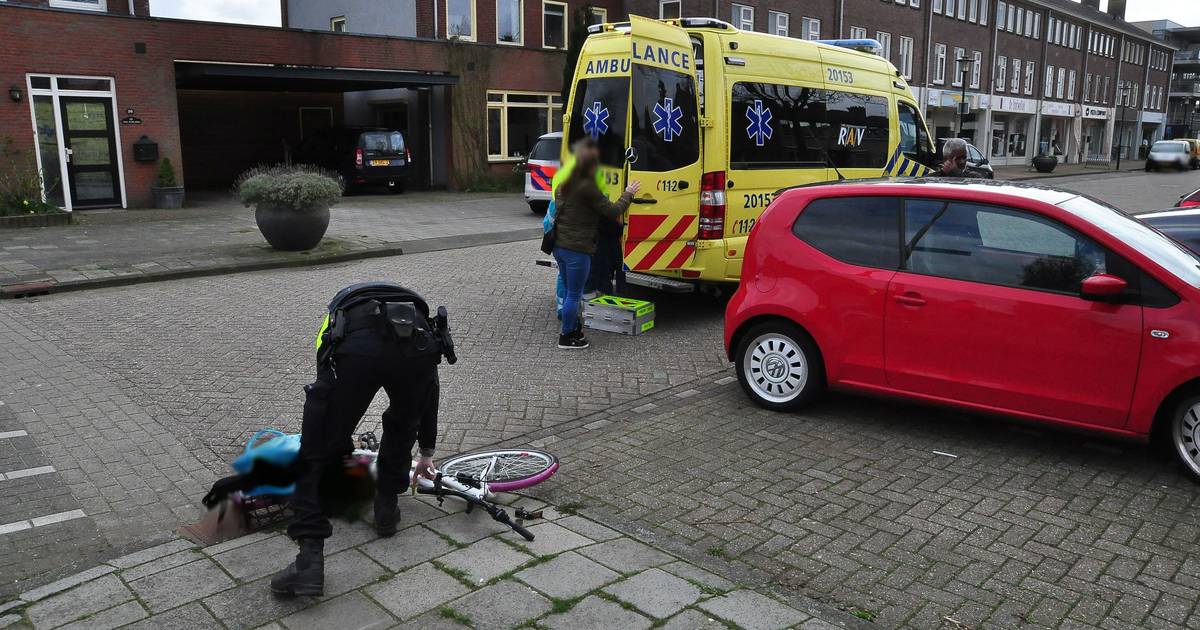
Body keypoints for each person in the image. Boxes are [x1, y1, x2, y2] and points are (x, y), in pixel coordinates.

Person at [270, 282, 452, 597]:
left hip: (357, 351)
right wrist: (426, 452)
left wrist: (332, 444)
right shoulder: (419, 324)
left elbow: (325, 385)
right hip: (417, 354)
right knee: (402, 424)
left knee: (316, 449)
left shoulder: (336, 318)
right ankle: (385, 509)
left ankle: (309, 561)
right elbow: (428, 394)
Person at [552, 139, 639, 349]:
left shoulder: (566, 183)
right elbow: (612, 211)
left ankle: (572, 326)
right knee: (575, 294)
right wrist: (628, 193)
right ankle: (567, 336)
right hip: (577, 248)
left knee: (568, 291)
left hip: (560, 245)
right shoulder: (587, 187)